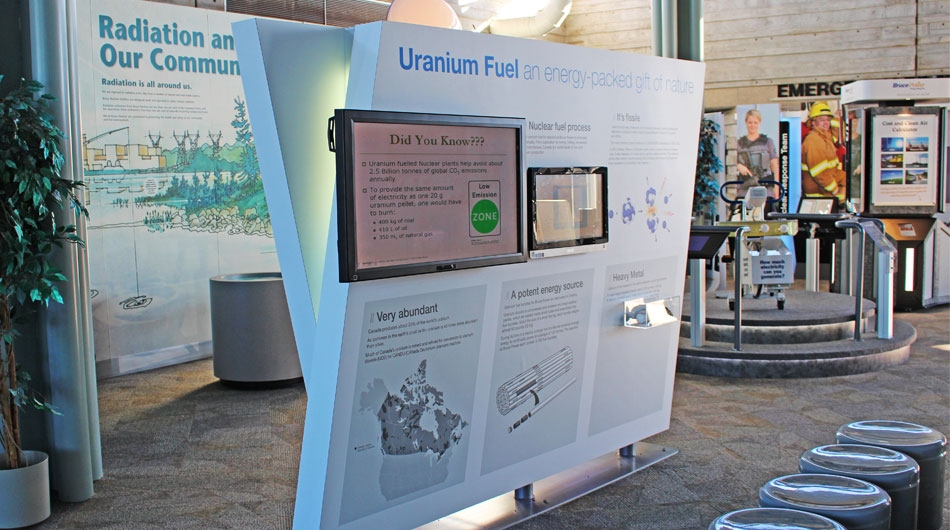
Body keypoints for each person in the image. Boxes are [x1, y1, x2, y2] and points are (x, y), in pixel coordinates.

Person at [801, 102, 847, 202]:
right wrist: (835, 190)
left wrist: (836, 118)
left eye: (828, 120)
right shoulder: (813, 141)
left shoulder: (824, 137)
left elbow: (838, 137)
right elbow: (820, 173)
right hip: (821, 192)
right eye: (822, 120)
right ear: (813, 122)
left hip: (827, 186)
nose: (826, 123)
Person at [736, 109, 779, 192]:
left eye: (755, 123)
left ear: (759, 123)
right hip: (745, 186)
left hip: (765, 185)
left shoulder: (768, 142)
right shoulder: (739, 143)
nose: (752, 125)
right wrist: (738, 166)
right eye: (750, 122)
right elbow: (731, 163)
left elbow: (774, 166)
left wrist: (776, 188)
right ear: (746, 123)